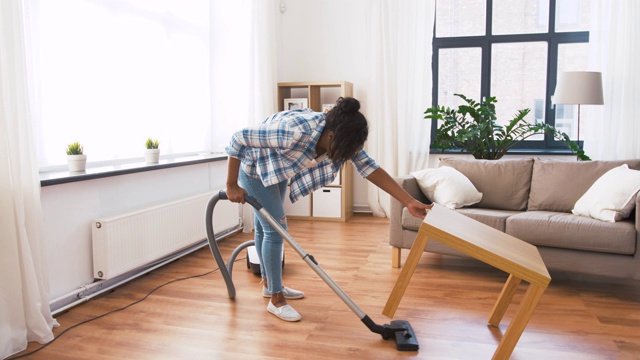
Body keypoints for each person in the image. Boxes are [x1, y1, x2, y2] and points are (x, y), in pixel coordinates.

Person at [225, 97, 431, 322]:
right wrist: (231, 184)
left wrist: (409, 201)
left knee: (265, 227)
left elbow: (370, 168)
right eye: (345, 151)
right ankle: (276, 299)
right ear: (331, 137)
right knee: (276, 229)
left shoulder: (341, 136)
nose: (346, 156)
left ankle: (269, 285)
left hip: (278, 168)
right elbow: (238, 138)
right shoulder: (294, 132)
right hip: (254, 168)